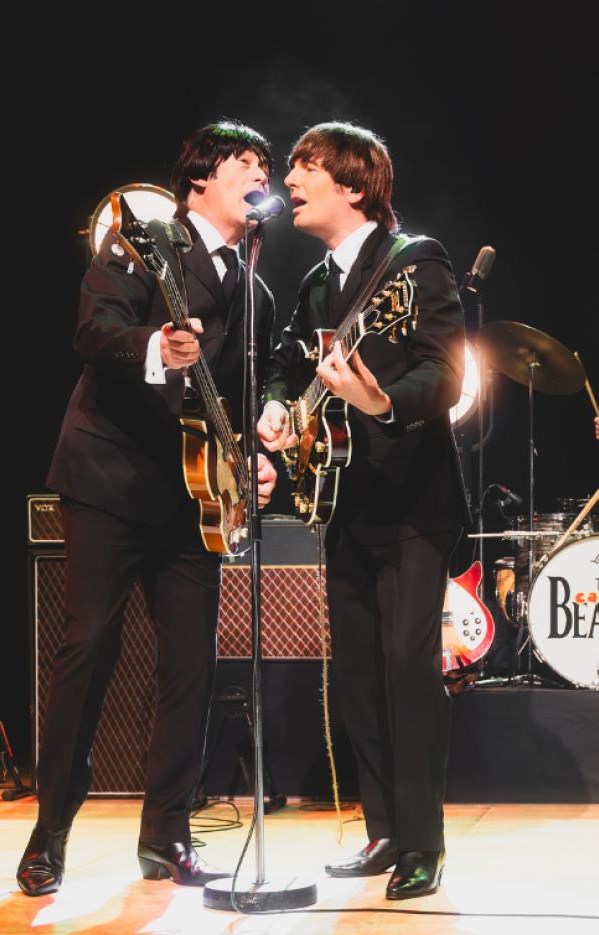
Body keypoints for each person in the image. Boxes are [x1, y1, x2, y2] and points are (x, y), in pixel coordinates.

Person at [17, 120, 277, 895]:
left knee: (191, 666)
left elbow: (244, 389)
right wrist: (159, 345)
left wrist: (252, 456)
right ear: (200, 175)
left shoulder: (252, 281)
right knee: (88, 648)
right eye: (245, 161)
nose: (260, 173)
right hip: (108, 475)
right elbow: (93, 329)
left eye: (267, 163)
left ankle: (165, 835)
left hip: (194, 495)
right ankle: (48, 834)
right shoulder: (143, 240)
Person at [258, 122, 468, 899]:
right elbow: (285, 363)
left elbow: (443, 374)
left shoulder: (416, 262)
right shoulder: (317, 281)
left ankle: (423, 840)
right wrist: (280, 407)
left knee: (408, 669)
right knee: (355, 674)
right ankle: (382, 827)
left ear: (352, 186)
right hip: (342, 499)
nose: (289, 178)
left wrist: (377, 399)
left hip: (415, 502)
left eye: (304, 167)